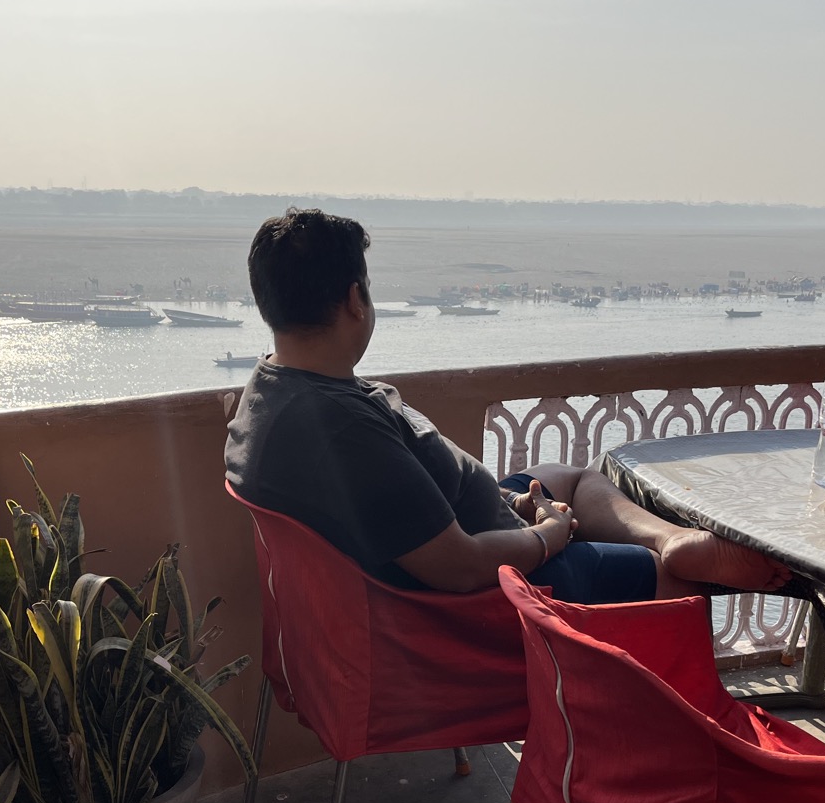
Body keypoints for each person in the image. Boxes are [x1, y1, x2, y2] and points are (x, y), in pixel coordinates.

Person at [224, 208, 789, 604]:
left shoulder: (276, 387)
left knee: (569, 476)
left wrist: (511, 501)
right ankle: (672, 603)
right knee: (681, 585)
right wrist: (547, 537)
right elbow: (460, 566)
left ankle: (671, 539)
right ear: (355, 299)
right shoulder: (340, 429)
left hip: (489, 526)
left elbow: (405, 503)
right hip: (503, 596)